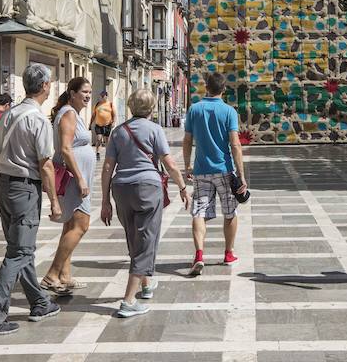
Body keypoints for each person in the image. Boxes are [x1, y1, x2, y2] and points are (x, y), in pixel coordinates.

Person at [0, 63, 61, 337]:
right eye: (49, 83)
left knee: (21, 248)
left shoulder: (9, 115)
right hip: (25, 189)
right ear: (45, 86)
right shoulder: (38, 120)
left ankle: (39, 302)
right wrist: (55, 200)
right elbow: (46, 164)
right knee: (20, 252)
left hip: (3, 185)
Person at [100, 89, 190, 317]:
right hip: (148, 188)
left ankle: (146, 285)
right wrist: (182, 186)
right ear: (151, 108)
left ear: (130, 107)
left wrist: (104, 201)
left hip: (121, 189)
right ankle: (128, 301)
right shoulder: (155, 130)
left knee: (134, 237)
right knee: (147, 241)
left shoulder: (118, 132)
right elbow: (168, 163)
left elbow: (108, 166)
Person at [183, 71, 248, 276]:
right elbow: (235, 145)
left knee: (199, 212)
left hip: (201, 170)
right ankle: (228, 254)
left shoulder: (194, 109)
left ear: (206, 87)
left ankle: (199, 255)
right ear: (224, 89)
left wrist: (187, 166)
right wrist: (241, 175)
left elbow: (187, 140)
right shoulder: (229, 111)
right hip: (225, 171)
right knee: (230, 212)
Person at [41, 77, 95, 295]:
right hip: (74, 179)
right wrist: (80, 177)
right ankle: (52, 275)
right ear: (72, 93)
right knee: (81, 226)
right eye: (84, 92)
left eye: (90, 92)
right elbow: (65, 148)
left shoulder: (72, 113)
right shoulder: (69, 113)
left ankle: (64, 276)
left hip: (78, 177)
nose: (88, 96)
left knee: (70, 226)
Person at [90, 90, 116, 160]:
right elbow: (93, 115)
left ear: (106, 96)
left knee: (106, 140)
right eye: (101, 96)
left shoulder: (110, 104)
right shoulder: (97, 104)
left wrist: (113, 122)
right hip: (98, 125)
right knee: (98, 139)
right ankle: (97, 153)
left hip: (107, 125)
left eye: (103, 96)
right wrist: (90, 123)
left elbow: (114, 115)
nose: (101, 97)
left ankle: (107, 154)